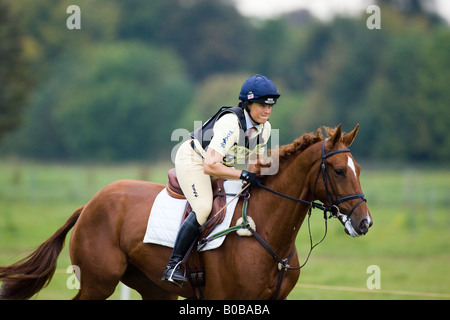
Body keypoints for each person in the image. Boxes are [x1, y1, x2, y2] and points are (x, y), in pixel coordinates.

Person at [161, 74, 280, 286]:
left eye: (271, 105)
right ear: (248, 103)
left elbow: (254, 163)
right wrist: (243, 175)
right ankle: (173, 265)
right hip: (195, 160)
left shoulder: (265, 128)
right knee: (204, 208)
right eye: (262, 105)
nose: (267, 110)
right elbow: (209, 165)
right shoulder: (231, 123)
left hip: (219, 165)